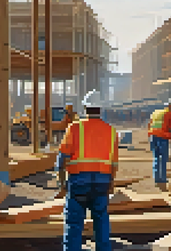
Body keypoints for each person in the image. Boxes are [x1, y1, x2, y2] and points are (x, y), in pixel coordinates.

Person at [57, 90, 118, 251]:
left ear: (85, 108)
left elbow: (62, 158)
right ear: (101, 109)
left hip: (78, 182)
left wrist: (62, 183)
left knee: (74, 225)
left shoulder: (74, 128)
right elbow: (114, 164)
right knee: (101, 221)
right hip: (102, 183)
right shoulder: (111, 131)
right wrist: (111, 184)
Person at [148, 98, 171, 188]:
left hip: (153, 136)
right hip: (162, 137)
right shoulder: (170, 115)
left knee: (156, 157)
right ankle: (163, 179)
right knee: (163, 158)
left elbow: (150, 125)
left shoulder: (155, 112)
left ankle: (156, 179)